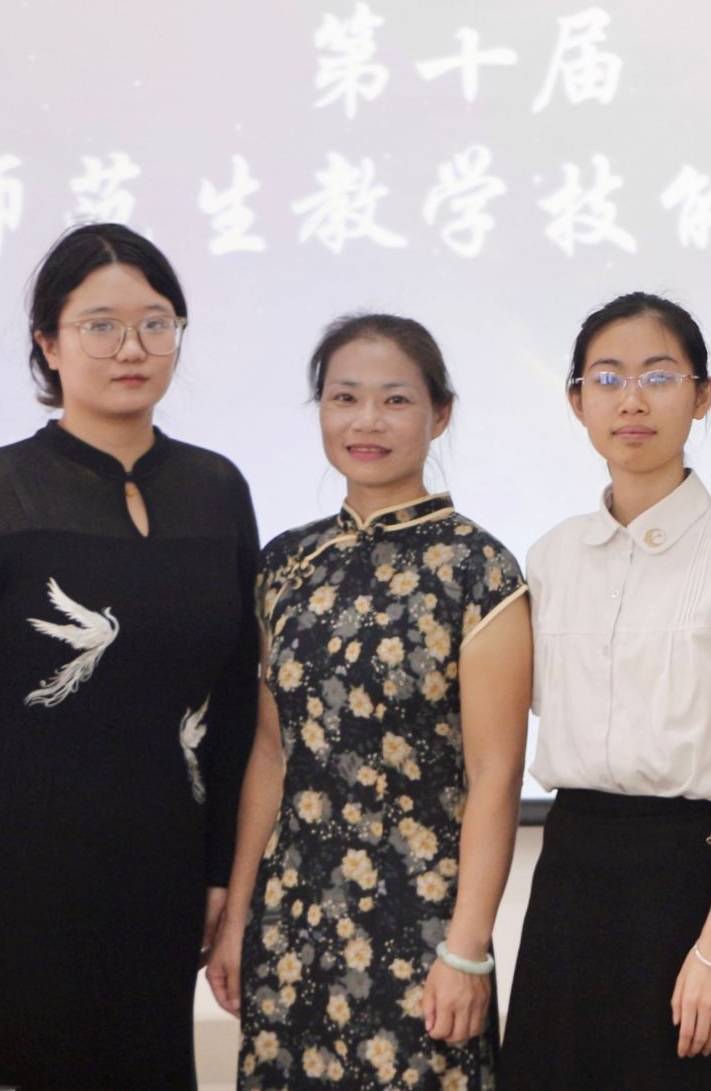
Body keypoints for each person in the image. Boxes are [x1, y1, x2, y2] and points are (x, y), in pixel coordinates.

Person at [0, 223, 261, 1090]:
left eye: (155, 323)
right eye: (100, 325)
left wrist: (223, 873)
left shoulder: (217, 488)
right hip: (15, 879)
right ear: (48, 344)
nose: (131, 348)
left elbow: (239, 697)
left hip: (164, 876)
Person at [208, 314, 531, 1089]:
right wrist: (239, 914)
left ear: (439, 414)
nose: (367, 421)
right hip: (292, 921)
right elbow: (271, 751)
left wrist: (466, 948)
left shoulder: (479, 569)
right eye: (344, 397)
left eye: (395, 400)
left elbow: (496, 774)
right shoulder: (286, 563)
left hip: (422, 927)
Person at [503, 293, 711, 1090]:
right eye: (607, 378)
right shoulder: (551, 556)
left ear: (702, 395)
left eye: (659, 376)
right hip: (571, 876)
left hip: (689, 879)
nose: (631, 399)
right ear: (577, 401)